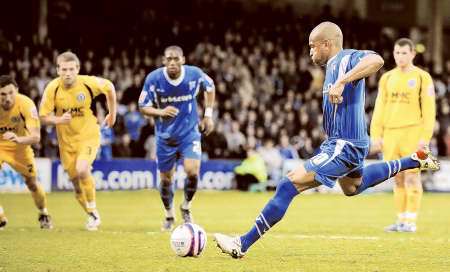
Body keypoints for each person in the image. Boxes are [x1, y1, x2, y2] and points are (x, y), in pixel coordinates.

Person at [213, 22, 440, 258]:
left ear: (327, 44)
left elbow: (377, 60)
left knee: (288, 184)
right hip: (345, 142)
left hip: (344, 144)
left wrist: (342, 81)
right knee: (352, 187)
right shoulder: (331, 67)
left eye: (313, 46)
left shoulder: (345, 59)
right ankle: (413, 160)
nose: (310, 51)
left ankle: (242, 243)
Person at [139, 45, 215, 231]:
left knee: (193, 170)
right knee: (166, 180)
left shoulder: (194, 74)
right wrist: (160, 111)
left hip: (189, 133)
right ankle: (169, 214)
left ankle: (186, 207)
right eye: (168, 59)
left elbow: (210, 87)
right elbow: (142, 106)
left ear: (183, 59)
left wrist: (208, 115)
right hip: (165, 137)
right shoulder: (154, 78)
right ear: (164, 61)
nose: (172, 62)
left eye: (176, 59)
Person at [39, 52, 117, 231]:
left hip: (88, 134)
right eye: (64, 69)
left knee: (82, 169)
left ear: (78, 69)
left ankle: (92, 209)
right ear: (58, 70)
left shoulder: (88, 83)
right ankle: (92, 214)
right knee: (75, 186)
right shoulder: (52, 88)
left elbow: (110, 87)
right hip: (66, 142)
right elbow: (43, 116)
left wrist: (112, 114)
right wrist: (59, 120)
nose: (68, 73)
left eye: (71, 69)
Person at [370, 38, 436, 233]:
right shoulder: (387, 78)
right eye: (397, 53)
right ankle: (400, 220)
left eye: (404, 53)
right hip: (390, 135)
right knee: (397, 178)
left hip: (414, 133)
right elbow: (379, 108)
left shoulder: (423, 77)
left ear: (413, 54)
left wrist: (426, 136)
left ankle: (411, 221)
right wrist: (376, 134)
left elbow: (429, 110)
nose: (400, 57)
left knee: (412, 177)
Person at [0, 75, 52, 229]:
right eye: (2, 94)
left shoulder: (26, 104)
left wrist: (18, 139)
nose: (8, 98)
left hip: (20, 148)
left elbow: (36, 137)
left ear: (17, 90)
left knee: (32, 184)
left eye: (11, 93)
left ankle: (43, 213)